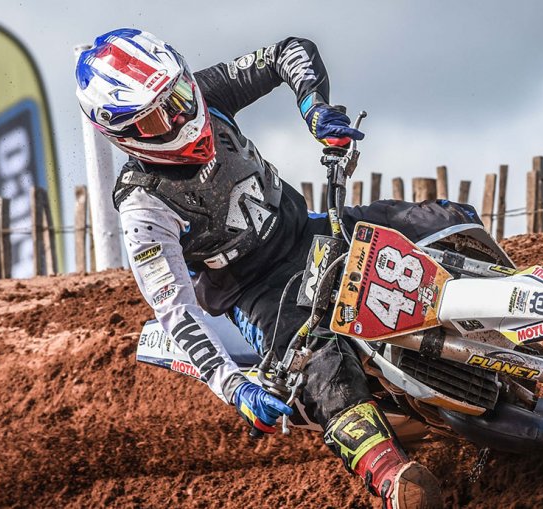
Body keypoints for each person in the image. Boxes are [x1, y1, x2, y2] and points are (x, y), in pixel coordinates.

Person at [75, 28, 479, 509]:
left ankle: (521, 313)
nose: (181, 115)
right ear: (123, 134)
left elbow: (288, 51)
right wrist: (234, 388)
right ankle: (393, 478)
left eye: (178, 95)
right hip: (258, 290)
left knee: (443, 222)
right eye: (157, 117)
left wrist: (314, 109)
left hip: (313, 231)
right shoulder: (142, 206)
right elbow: (176, 311)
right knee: (321, 364)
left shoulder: (207, 93)